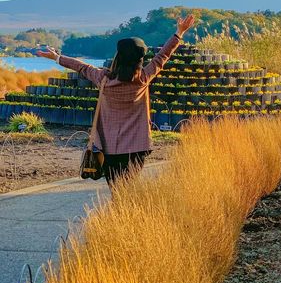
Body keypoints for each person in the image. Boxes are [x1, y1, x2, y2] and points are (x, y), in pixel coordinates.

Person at [37, 14, 195, 187]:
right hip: (137, 146)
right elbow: (162, 57)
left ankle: (118, 212)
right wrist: (179, 33)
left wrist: (57, 57)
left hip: (109, 147)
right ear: (140, 60)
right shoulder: (143, 78)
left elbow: (82, 66)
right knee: (128, 187)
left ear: (118, 57)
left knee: (115, 188)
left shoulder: (103, 79)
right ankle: (125, 213)